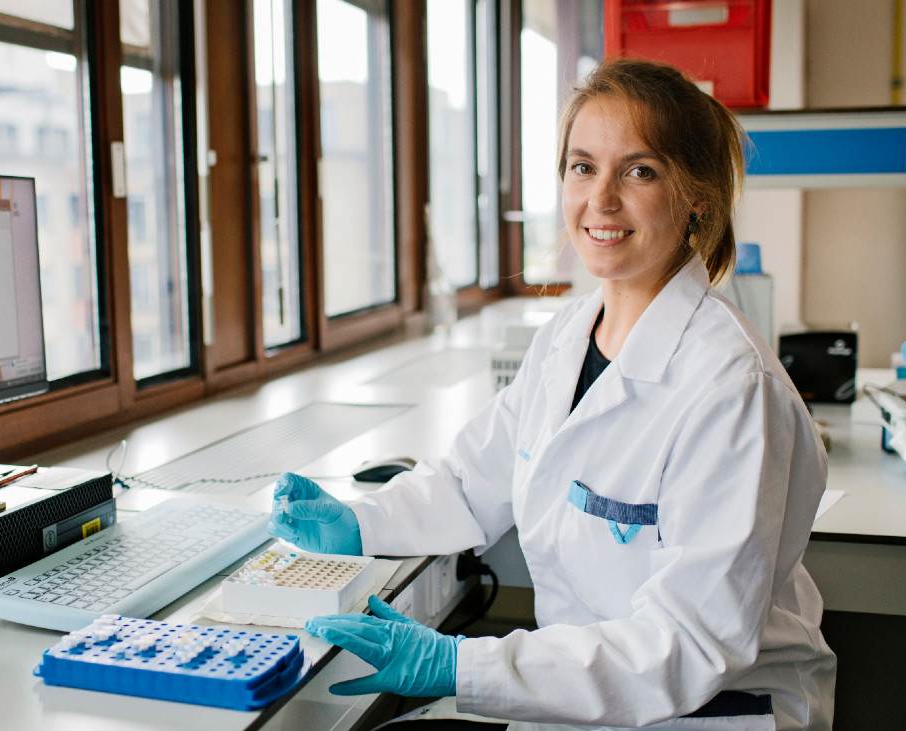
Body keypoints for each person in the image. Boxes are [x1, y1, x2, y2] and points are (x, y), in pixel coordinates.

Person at [270, 57, 835, 730]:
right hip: (585, 693)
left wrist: (460, 666)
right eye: (583, 166)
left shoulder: (731, 388)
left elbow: (686, 643)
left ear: (698, 197)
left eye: (639, 170)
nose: (601, 199)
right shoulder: (569, 334)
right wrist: (361, 522)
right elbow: (470, 480)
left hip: (706, 709)